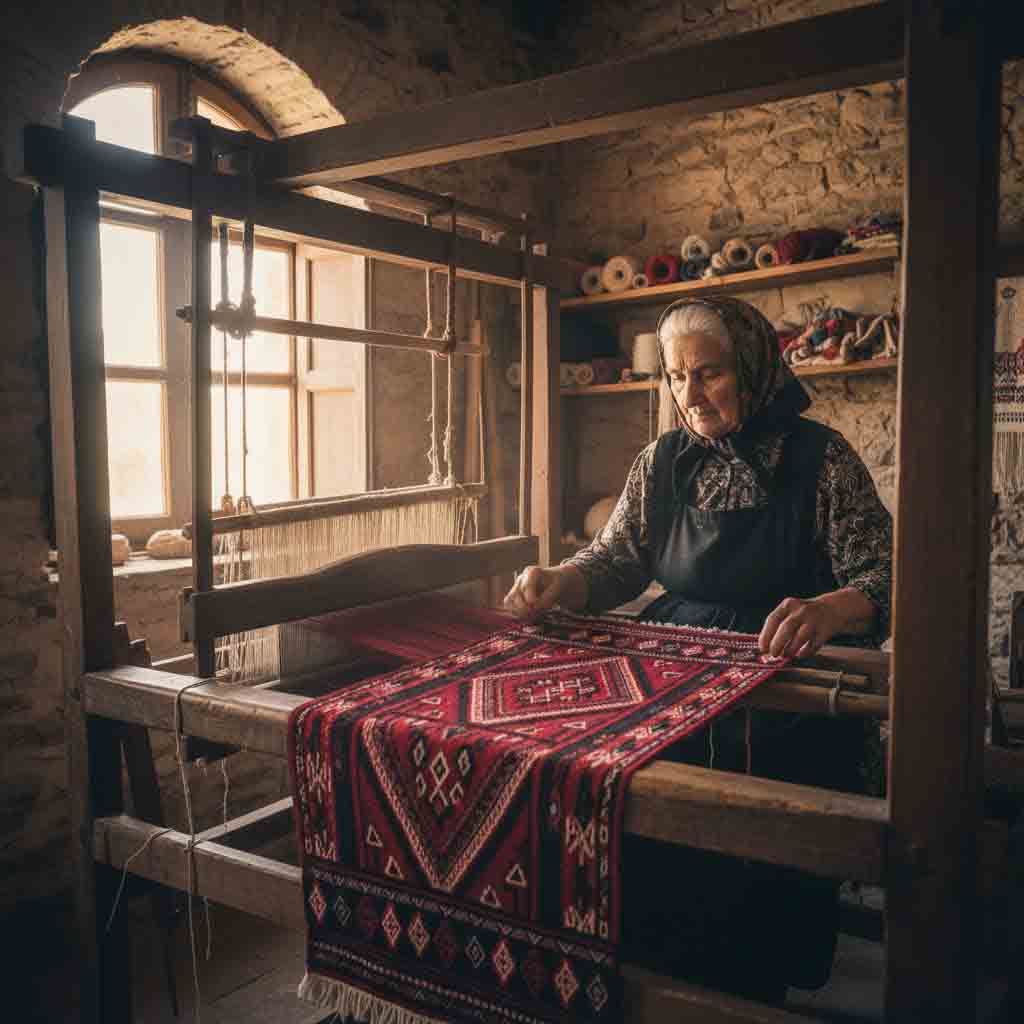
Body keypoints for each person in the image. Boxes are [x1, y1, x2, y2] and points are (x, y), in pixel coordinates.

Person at [504, 295, 893, 1002]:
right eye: (677, 376)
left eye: (710, 373)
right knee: (644, 814)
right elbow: (616, 560)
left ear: (753, 368)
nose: (691, 394)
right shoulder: (661, 462)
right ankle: (660, 989)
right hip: (677, 671)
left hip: (784, 678)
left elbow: (882, 575)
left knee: (760, 843)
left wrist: (829, 608)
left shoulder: (822, 459)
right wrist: (561, 579)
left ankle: (753, 992)